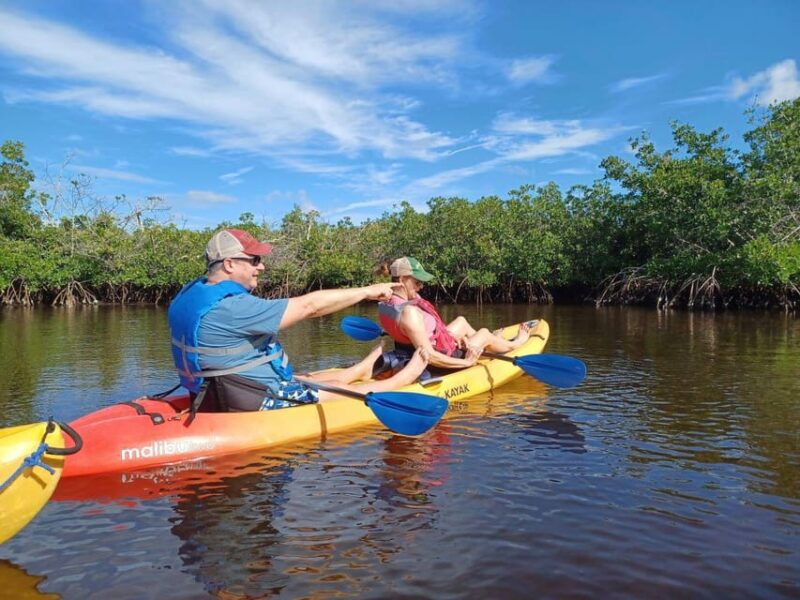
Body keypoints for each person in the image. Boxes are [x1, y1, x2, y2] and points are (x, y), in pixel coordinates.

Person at [168, 229, 428, 412]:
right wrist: (367, 291)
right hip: (251, 397)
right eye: (254, 260)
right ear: (229, 264)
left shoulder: (190, 293)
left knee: (334, 381)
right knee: (337, 391)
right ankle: (398, 382)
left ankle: (354, 372)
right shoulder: (233, 306)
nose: (261, 267)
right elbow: (310, 306)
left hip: (220, 389)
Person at [378, 257, 532, 370]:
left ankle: (482, 343)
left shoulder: (386, 303)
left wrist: (455, 338)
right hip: (440, 359)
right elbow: (430, 356)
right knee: (484, 333)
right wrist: (467, 362)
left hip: (430, 344)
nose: (421, 287)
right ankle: (513, 344)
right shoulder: (408, 313)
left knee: (461, 321)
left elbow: (418, 333)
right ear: (403, 279)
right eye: (417, 282)